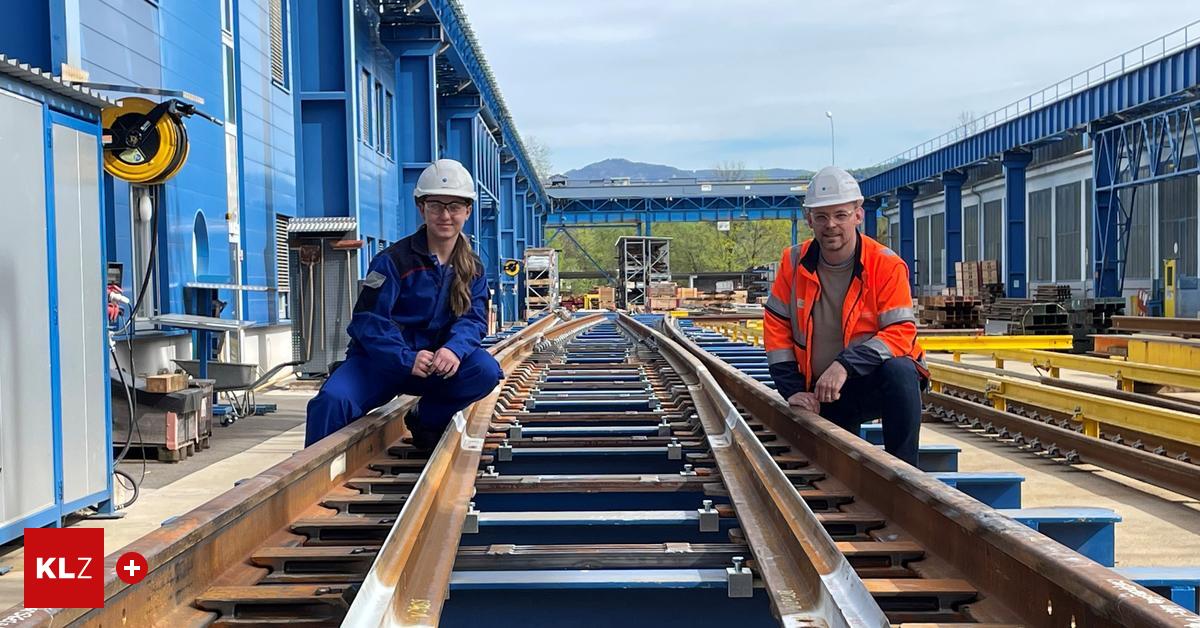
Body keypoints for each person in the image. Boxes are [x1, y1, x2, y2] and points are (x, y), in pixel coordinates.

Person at [305, 159, 504, 449]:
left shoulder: (472, 268)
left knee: (484, 371)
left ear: (467, 211)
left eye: (454, 207)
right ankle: (312, 479)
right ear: (421, 208)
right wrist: (404, 358)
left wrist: (453, 349)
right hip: (381, 364)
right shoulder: (392, 261)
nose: (445, 215)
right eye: (436, 205)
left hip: (434, 368)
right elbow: (368, 321)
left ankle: (426, 417)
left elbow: (473, 319)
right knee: (332, 401)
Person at [763, 165, 927, 466]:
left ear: (858, 215)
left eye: (840, 215)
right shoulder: (794, 262)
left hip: (872, 383)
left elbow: (901, 333)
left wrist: (844, 365)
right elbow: (777, 329)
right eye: (822, 217)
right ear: (809, 219)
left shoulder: (886, 265)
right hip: (823, 391)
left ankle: (905, 472)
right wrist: (793, 390)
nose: (831, 225)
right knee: (838, 470)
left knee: (903, 370)